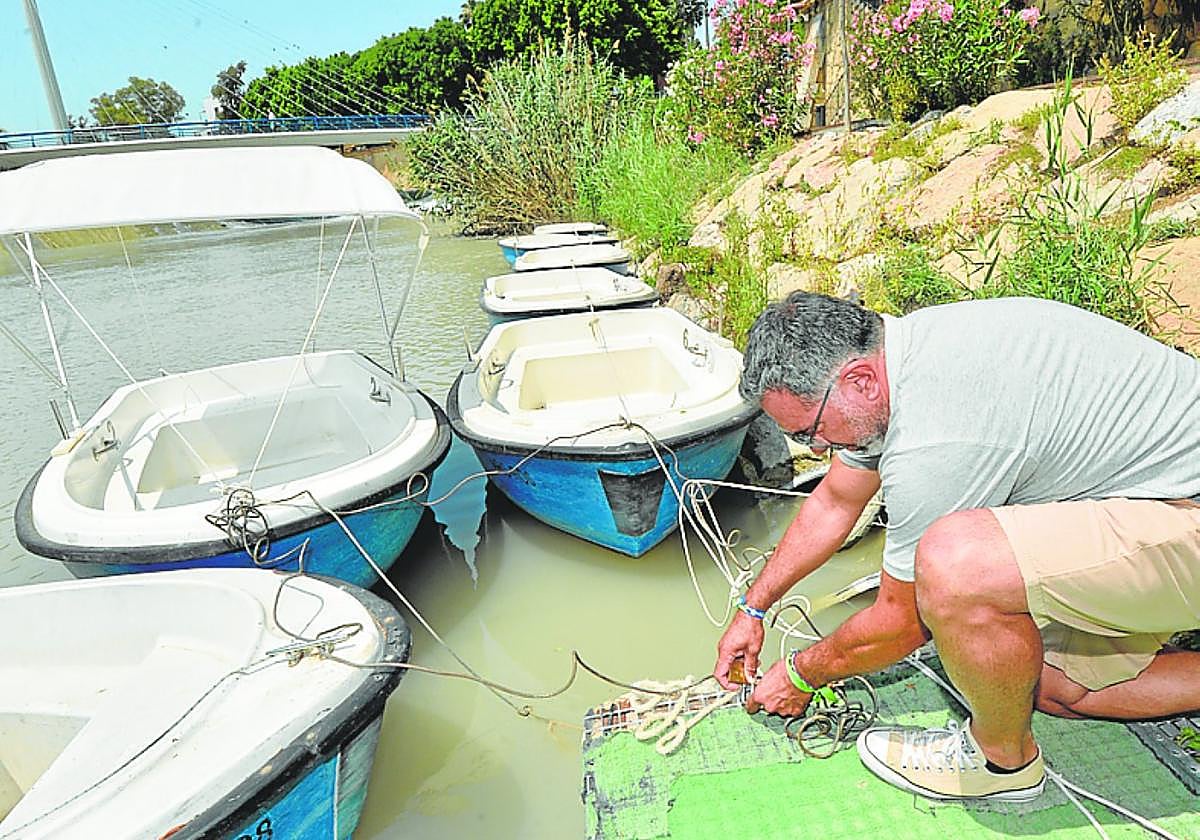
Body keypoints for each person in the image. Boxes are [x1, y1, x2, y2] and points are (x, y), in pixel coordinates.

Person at [713, 291, 1200, 802]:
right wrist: (754, 607)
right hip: (1157, 497)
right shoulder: (906, 356)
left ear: (858, 381)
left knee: (956, 565)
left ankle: (1002, 766)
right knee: (1042, 684)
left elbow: (902, 623)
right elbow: (835, 500)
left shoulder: (936, 439)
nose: (816, 449)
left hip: (1184, 513)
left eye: (811, 431)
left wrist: (801, 673)